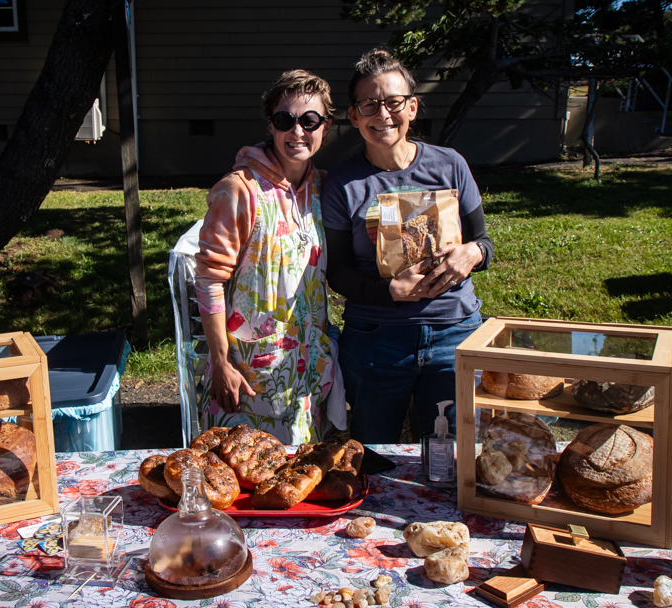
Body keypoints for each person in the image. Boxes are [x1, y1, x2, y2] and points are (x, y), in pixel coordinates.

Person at [321, 49, 494, 444]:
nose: (383, 114)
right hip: (375, 339)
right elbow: (339, 271)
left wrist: (474, 253)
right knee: (373, 455)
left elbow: (483, 241)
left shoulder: (450, 165)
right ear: (354, 116)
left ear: (412, 107)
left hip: (455, 332)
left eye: (394, 102)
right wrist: (388, 292)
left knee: (452, 458)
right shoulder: (344, 184)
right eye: (369, 104)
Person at [194, 69, 338, 445]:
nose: (297, 132)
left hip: (305, 379)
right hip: (248, 376)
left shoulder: (325, 188)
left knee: (300, 485)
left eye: (309, 121)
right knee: (244, 481)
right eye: (284, 120)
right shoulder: (239, 191)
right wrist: (221, 362)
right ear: (270, 126)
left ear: (326, 125)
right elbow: (209, 279)